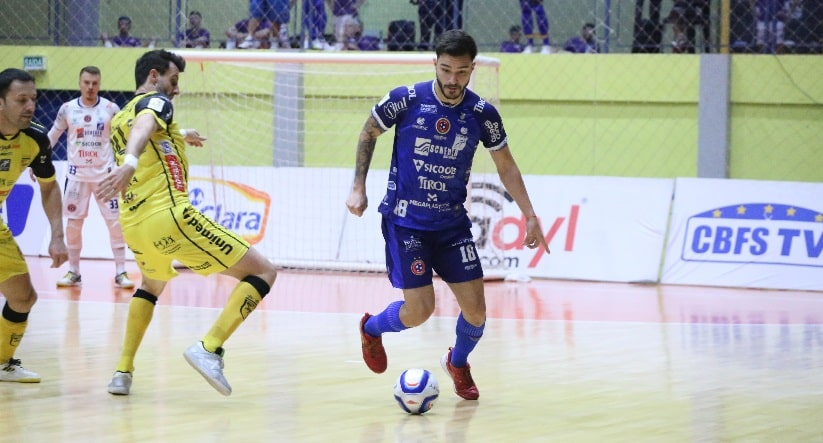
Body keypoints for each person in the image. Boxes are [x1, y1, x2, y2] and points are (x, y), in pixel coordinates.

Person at [345, 30, 549, 400]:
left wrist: (530, 214)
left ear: (473, 69)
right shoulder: (405, 100)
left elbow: (507, 167)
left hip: (452, 225)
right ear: (434, 64)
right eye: (446, 70)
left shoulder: (482, 114)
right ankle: (372, 329)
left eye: (462, 72)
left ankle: (458, 361)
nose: (453, 80)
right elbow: (368, 132)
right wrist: (358, 186)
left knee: (476, 312)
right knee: (420, 311)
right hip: (406, 222)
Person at [98, 50, 278, 396]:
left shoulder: (119, 115)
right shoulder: (156, 104)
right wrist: (131, 162)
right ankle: (210, 347)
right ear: (154, 76)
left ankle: (122, 371)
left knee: (150, 286)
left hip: (134, 224)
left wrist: (181, 134)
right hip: (171, 216)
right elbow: (147, 124)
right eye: (173, 80)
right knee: (264, 272)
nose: (176, 89)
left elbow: (147, 129)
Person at [0, 68, 69, 383]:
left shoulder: (36, 140)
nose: (30, 106)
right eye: (21, 100)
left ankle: (2, 363)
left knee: (23, 297)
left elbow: (49, 186)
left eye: (33, 99)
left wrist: (57, 236)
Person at [49, 66, 133, 289]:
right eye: (86, 82)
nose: (90, 87)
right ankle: (74, 272)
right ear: (79, 83)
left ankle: (121, 271)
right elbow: (54, 134)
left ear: (100, 84)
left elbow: (127, 136)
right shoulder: (67, 109)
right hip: (77, 177)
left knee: (115, 223)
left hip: (105, 176)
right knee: (74, 225)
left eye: (95, 83)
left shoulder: (110, 108)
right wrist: (37, 159)